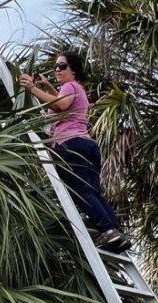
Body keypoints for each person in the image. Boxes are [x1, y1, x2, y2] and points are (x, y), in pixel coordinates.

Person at [19, 51, 131, 253]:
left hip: (70, 145)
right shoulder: (76, 90)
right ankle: (114, 230)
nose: (57, 70)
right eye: (55, 67)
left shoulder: (69, 86)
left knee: (80, 192)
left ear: (73, 69)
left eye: (62, 66)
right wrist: (48, 87)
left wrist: (33, 88)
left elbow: (61, 104)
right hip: (86, 146)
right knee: (92, 193)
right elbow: (62, 104)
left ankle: (108, 230)